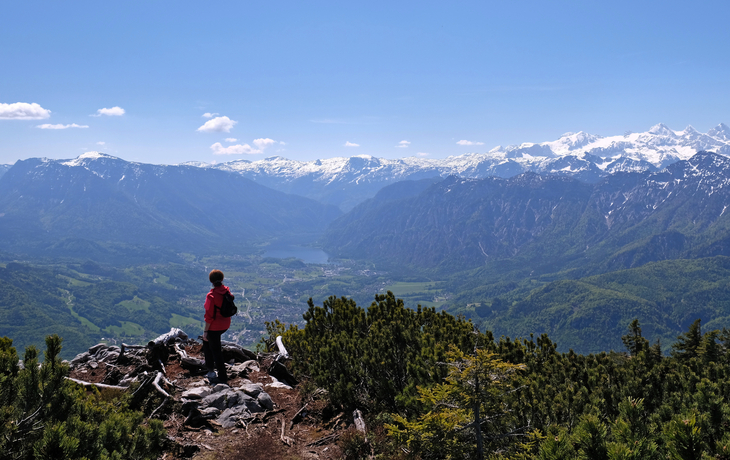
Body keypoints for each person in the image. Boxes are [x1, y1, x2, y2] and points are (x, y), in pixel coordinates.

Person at [202, 269, 232, 384]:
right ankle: (210, 369)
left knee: (215, 350)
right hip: (226, 324)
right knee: (207, 342)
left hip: (215, 327)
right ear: (222, 279)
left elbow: (209, 316)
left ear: (211, 281)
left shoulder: (211, 296)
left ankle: (221, 377)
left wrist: (206, 331)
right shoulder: (227, 291)